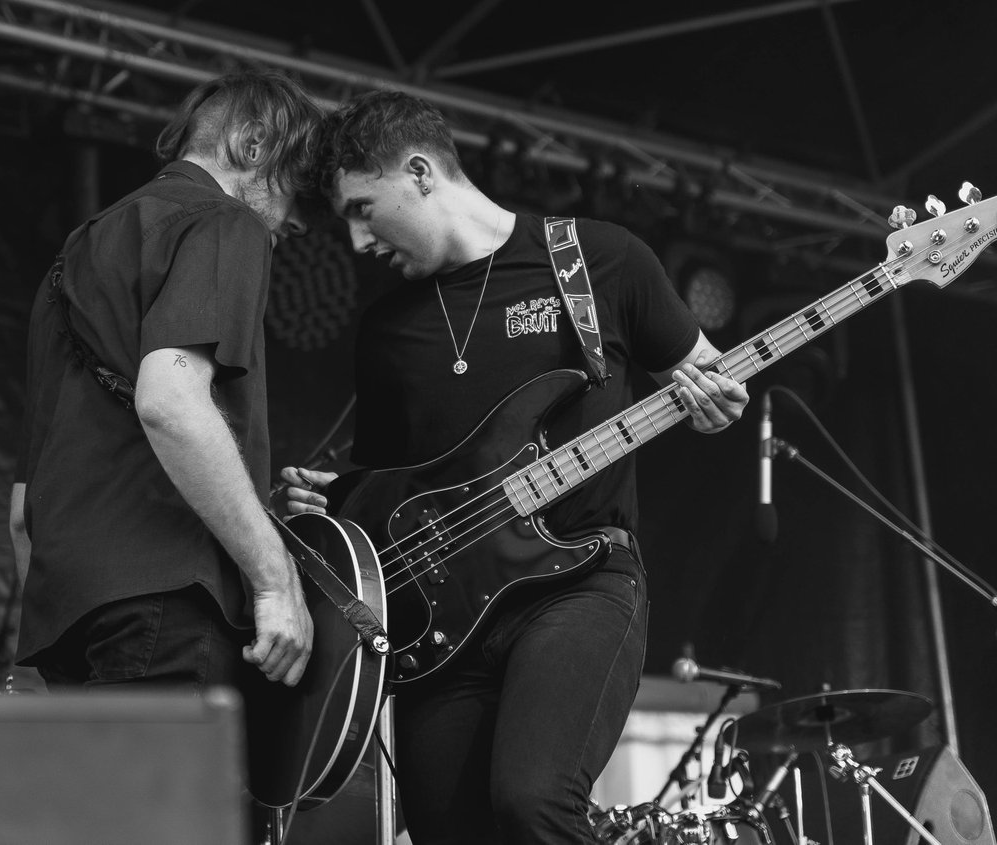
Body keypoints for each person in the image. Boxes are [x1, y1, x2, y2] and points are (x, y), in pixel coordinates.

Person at [278, 90, 750, 844]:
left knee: (532, 803)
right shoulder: (387, 329)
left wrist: (716, 401)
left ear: (422, 173)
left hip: (579, 582)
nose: (359, 240)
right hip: (443, 621)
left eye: (364, 208)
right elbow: (392, 490)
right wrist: (336, 500)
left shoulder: (600, 259)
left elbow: (713, 380)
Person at [9, 70, 324, 697]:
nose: (301, 221)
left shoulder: (76, 253)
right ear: (254, 144)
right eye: (298, 187)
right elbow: (171, 402)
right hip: (168, 601)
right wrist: (273, 580)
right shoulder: (226, 222)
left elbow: (23, 509)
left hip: (65, 612)